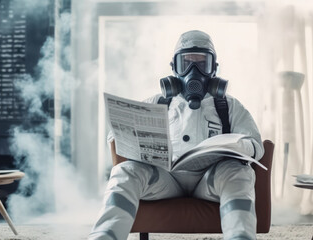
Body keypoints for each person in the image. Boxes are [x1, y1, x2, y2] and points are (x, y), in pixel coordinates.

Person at [89, 30, 264, 240]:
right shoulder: (157, 102)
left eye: (202, 63)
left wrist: (238, 146)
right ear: (174, 68)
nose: (194, 71)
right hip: (165, 180)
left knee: (239, 172)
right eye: (186, 63)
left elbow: (256, 146)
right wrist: (128, 139)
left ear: (214, 68)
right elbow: (118, 136)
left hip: (210, 180)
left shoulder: (228, 106)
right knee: (125, 171)